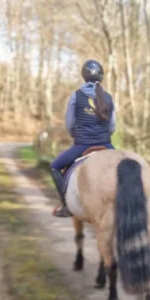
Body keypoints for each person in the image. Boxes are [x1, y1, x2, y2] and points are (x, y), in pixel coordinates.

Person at [50, 59, 116, 217]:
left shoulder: (76, 96)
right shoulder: (108, 98)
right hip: (106, 145)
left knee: (55, 166)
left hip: (82, 145)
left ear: (84, 76)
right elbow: (112, 127)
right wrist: (103, 137)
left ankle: (65, 205)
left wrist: (75, 134)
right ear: (101, 77)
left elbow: (70, 123)